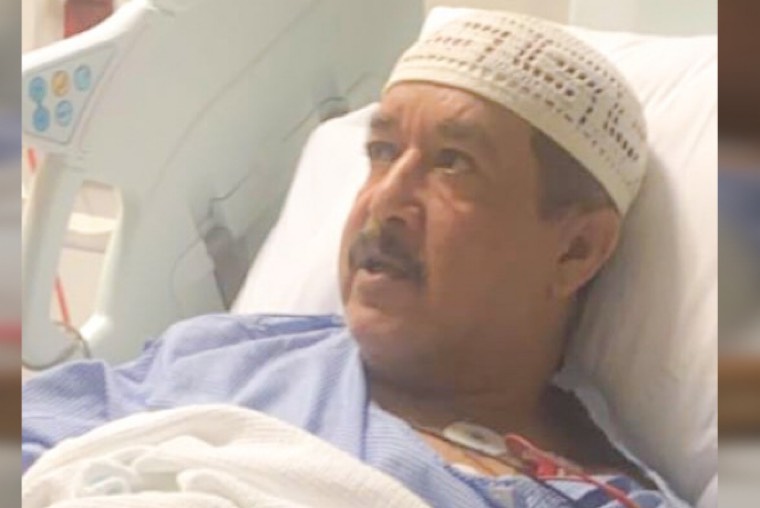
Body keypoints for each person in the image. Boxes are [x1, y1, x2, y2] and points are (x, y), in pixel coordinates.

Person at [23, 10, 669, 507]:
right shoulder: (224, 360)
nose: (384, 200)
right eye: (382, 152)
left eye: (453, 163)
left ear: (576, 249)